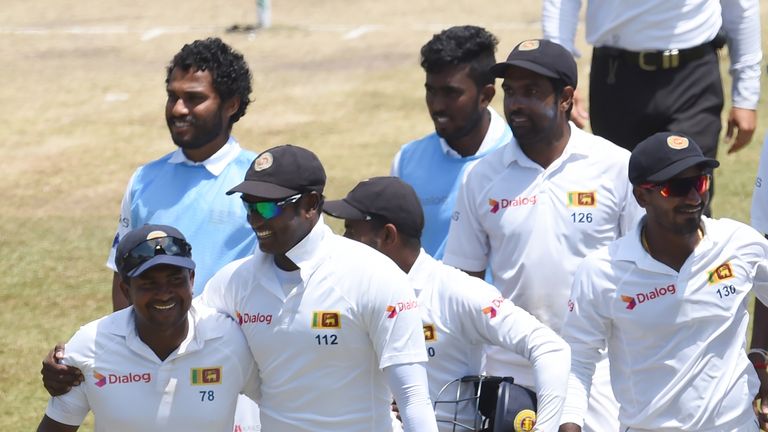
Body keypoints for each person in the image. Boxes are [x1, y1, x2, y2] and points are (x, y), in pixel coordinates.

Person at [443, 39, 644, 432]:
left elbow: (642, 267)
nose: (515, 104)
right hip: (512, 368)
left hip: (597, 367)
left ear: (566, 98)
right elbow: (462, 285)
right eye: (510, 92)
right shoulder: (481, 177)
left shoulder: (616, 167)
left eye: (531, 92)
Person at [202, 144, 438, 431]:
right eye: (248, 205)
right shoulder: (231, 284)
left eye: (266, 206)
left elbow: (413, 399)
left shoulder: (374, 275)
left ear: (311, 205)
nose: (254, 219)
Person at [323, 176, 571, 431]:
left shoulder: (454, 292)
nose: (344, 240)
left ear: (388, 235)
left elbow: (550, 348)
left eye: (352, 231)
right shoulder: (345, 292)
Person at [559, 131, 768, 431]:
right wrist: (569, 424)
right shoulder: (602, 271)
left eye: (701, 182)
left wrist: (761, 357)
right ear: (641, 195)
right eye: (678, 187)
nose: (695, 197)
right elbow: (578, 361)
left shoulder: (739, 245)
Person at [542, 0, 762, 213]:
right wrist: (560, 77)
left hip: (693, 75)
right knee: (618, 197)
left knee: (689, 197)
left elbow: (740, 6)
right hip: (617, 77)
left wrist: (746, 95)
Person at [37, 225, 258, 432]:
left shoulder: (230, 340)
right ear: (125, 289)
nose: (164, 293)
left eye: (175, 279)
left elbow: (282, 404)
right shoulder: (90, 345)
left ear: (191, 280)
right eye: (148, 283)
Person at [107, 37, 258, 309]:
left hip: (234, 348)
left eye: (194, 98)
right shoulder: (144, 179)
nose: (178, 109)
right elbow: (124, 275)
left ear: (231, 105)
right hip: (157, 348)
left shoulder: (260, 182)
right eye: (172, 96)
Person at [391, 25, 512, 259]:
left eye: (451, 93)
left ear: (486, 95)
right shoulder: (406, 162)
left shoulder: (520, 157)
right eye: (431, 91)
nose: (437, 106)